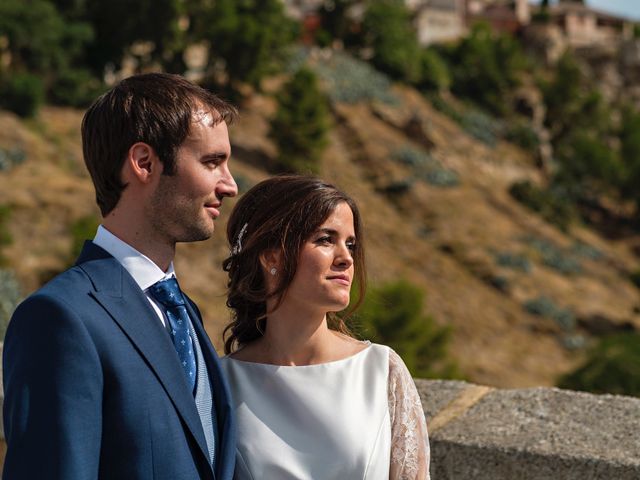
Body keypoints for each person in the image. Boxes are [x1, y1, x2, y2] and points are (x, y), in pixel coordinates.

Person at [3, 73, 239, 480]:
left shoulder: (186, 314)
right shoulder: (60, 318)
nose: (231, 185)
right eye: (211, 162)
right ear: (144, 163)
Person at [219, 175, 431, 479]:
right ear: (271, 256)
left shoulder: (381, 371)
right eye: (325, 240)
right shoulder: (221, 382)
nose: (346, 258)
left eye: (350, 244)